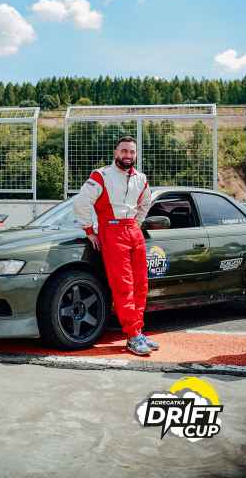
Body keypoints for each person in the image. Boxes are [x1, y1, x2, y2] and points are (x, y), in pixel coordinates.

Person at [73, 135, 158, 356]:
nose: (128, 155)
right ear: (115, 152)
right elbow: (81, 202)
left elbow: (146, 202)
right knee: (123, 286)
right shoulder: (101, 175)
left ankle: (138, 331)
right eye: (124, 151)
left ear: (136, 154)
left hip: (133, 230)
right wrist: (89, 230)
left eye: (131, 151)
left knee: (140, 285)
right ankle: (132, 335)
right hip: (111, 230)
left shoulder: (141, 178)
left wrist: (136, 223)